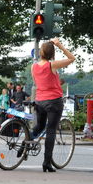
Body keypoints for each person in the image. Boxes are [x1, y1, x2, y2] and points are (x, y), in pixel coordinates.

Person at [30, 38, 75, 172]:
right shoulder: (52, 65)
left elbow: (39, 82)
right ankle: (46, 162)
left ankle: (24, 144)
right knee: (51, 131)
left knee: (39, 126)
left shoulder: (34, 66)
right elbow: (72, 58)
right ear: (52, 54)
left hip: (39, 100)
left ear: (40, 52)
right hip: (53, 102)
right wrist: (59, 45)